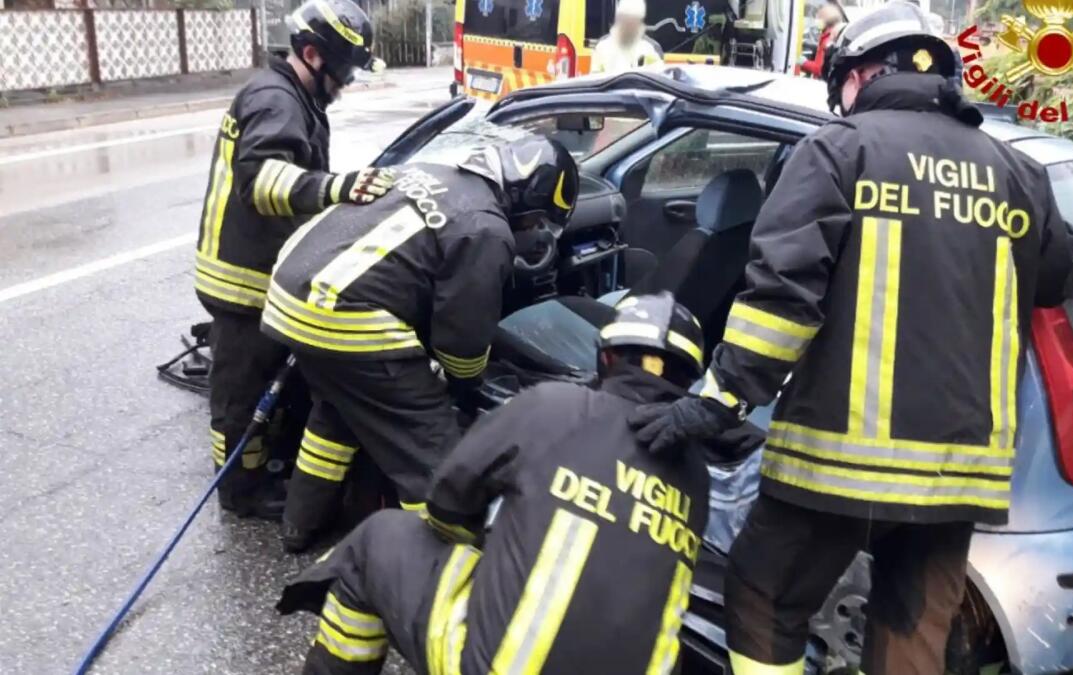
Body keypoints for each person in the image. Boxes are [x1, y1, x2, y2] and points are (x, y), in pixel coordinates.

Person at [629, 2, 1073, 673]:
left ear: (864, 73)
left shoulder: (838, 150)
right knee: (910, 631)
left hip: (838, 461)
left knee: (763, 598)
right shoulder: (1018, 172)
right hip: (961, 472)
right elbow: (1057, 279)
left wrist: (717, 400)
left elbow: (782, 301)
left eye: (840, 81)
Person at [277, 292, 712, 675]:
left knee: (378, 539)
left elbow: (447, 498)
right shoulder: (696, 477)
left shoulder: (554, 405)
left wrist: (483, 555)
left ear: (606, 357)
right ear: (688, 380)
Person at [263, 136, 580, 553]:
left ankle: (299, 524)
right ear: (528, 198)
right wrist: (466, 384)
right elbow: (461, 342)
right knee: (428, 447)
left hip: (289, 296)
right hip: (345, 317)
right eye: (537, 221)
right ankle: (431, 561)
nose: (532, 231)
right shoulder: (485, 228)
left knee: (339, 410)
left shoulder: (430, 170)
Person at [195, 0, 396, 520]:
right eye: (344, 71)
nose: (345, 84)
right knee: (239, 400)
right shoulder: (276, 100)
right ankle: (240, 492)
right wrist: (338, 188)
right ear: (312, 55)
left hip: (261, 276)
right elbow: (264, 182)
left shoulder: (295, 98)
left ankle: (268, 465)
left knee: (274, 387)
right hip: (241, 281)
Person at [591, 0, 664, 74]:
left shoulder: (649, 48)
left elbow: (658, 76)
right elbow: (595, 76)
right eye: (626, 19)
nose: (630, 25)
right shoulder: (603, 47)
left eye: (634, 20)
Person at [800, 1, 848, 78]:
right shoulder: (827, 35)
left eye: (818, 18)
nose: (816, 21)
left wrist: (803, 62)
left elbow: (819, 69)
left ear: (826, 21)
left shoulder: (828, 40)